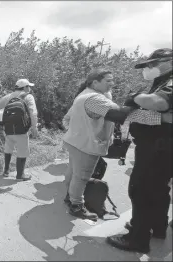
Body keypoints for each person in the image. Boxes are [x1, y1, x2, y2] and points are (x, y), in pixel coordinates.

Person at [61, 69, 163, 221]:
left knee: (73, 171)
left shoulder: (86, 94)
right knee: (81, 177)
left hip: (75, 141)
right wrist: (155, 114)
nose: (112, 83)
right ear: (95, 82)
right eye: (108, 80)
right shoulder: (94, 98)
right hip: (87, 145)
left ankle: (69, 197)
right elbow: (121, 114)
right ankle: (76, 205)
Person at [107, 48, 172, 254]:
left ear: (168, 62)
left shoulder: (169, 83)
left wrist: (135, 97)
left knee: (141, 190)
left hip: (157, 148)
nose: (148, 69)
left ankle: (137, 239)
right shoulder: (162, 82)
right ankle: (156, 228)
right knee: (159, 190)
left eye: (151, 65)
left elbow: (159, 103)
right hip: (161, 147)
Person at [0, 78, 39, 181]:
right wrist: (34, 127)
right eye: (29, 86)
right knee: (22, 151)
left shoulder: (8, 96)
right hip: (21, 129)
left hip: (8, 128)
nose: (30, 89)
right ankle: (20, 175)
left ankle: (6, 171)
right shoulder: (28, 97)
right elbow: (33, 112)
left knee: (8, 148)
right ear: (25, 88)